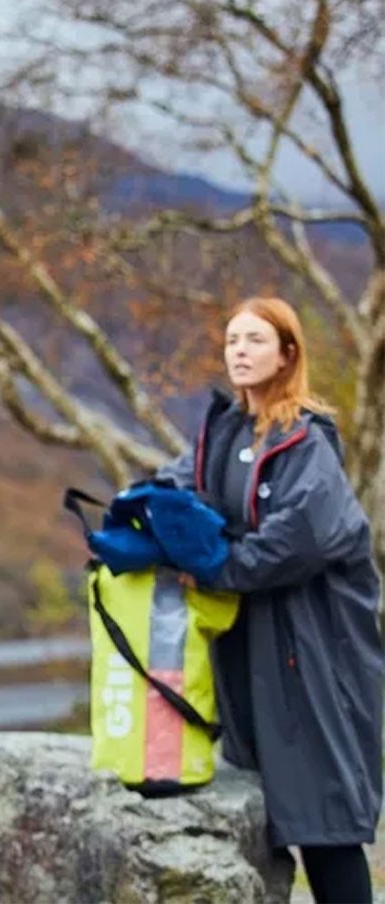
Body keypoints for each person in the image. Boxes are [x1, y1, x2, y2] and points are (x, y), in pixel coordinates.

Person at [157, 296, 383, 904]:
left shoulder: (307, 440)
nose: (240, 351)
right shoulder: (221, 432)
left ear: (287, 354)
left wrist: (221, 568)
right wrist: (135, 522)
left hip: (312, 656)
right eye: (233, 340)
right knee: (267, 811)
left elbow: (302, 535)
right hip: (248, 652)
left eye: (255, 340)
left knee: (326, 822)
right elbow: (175, 488)